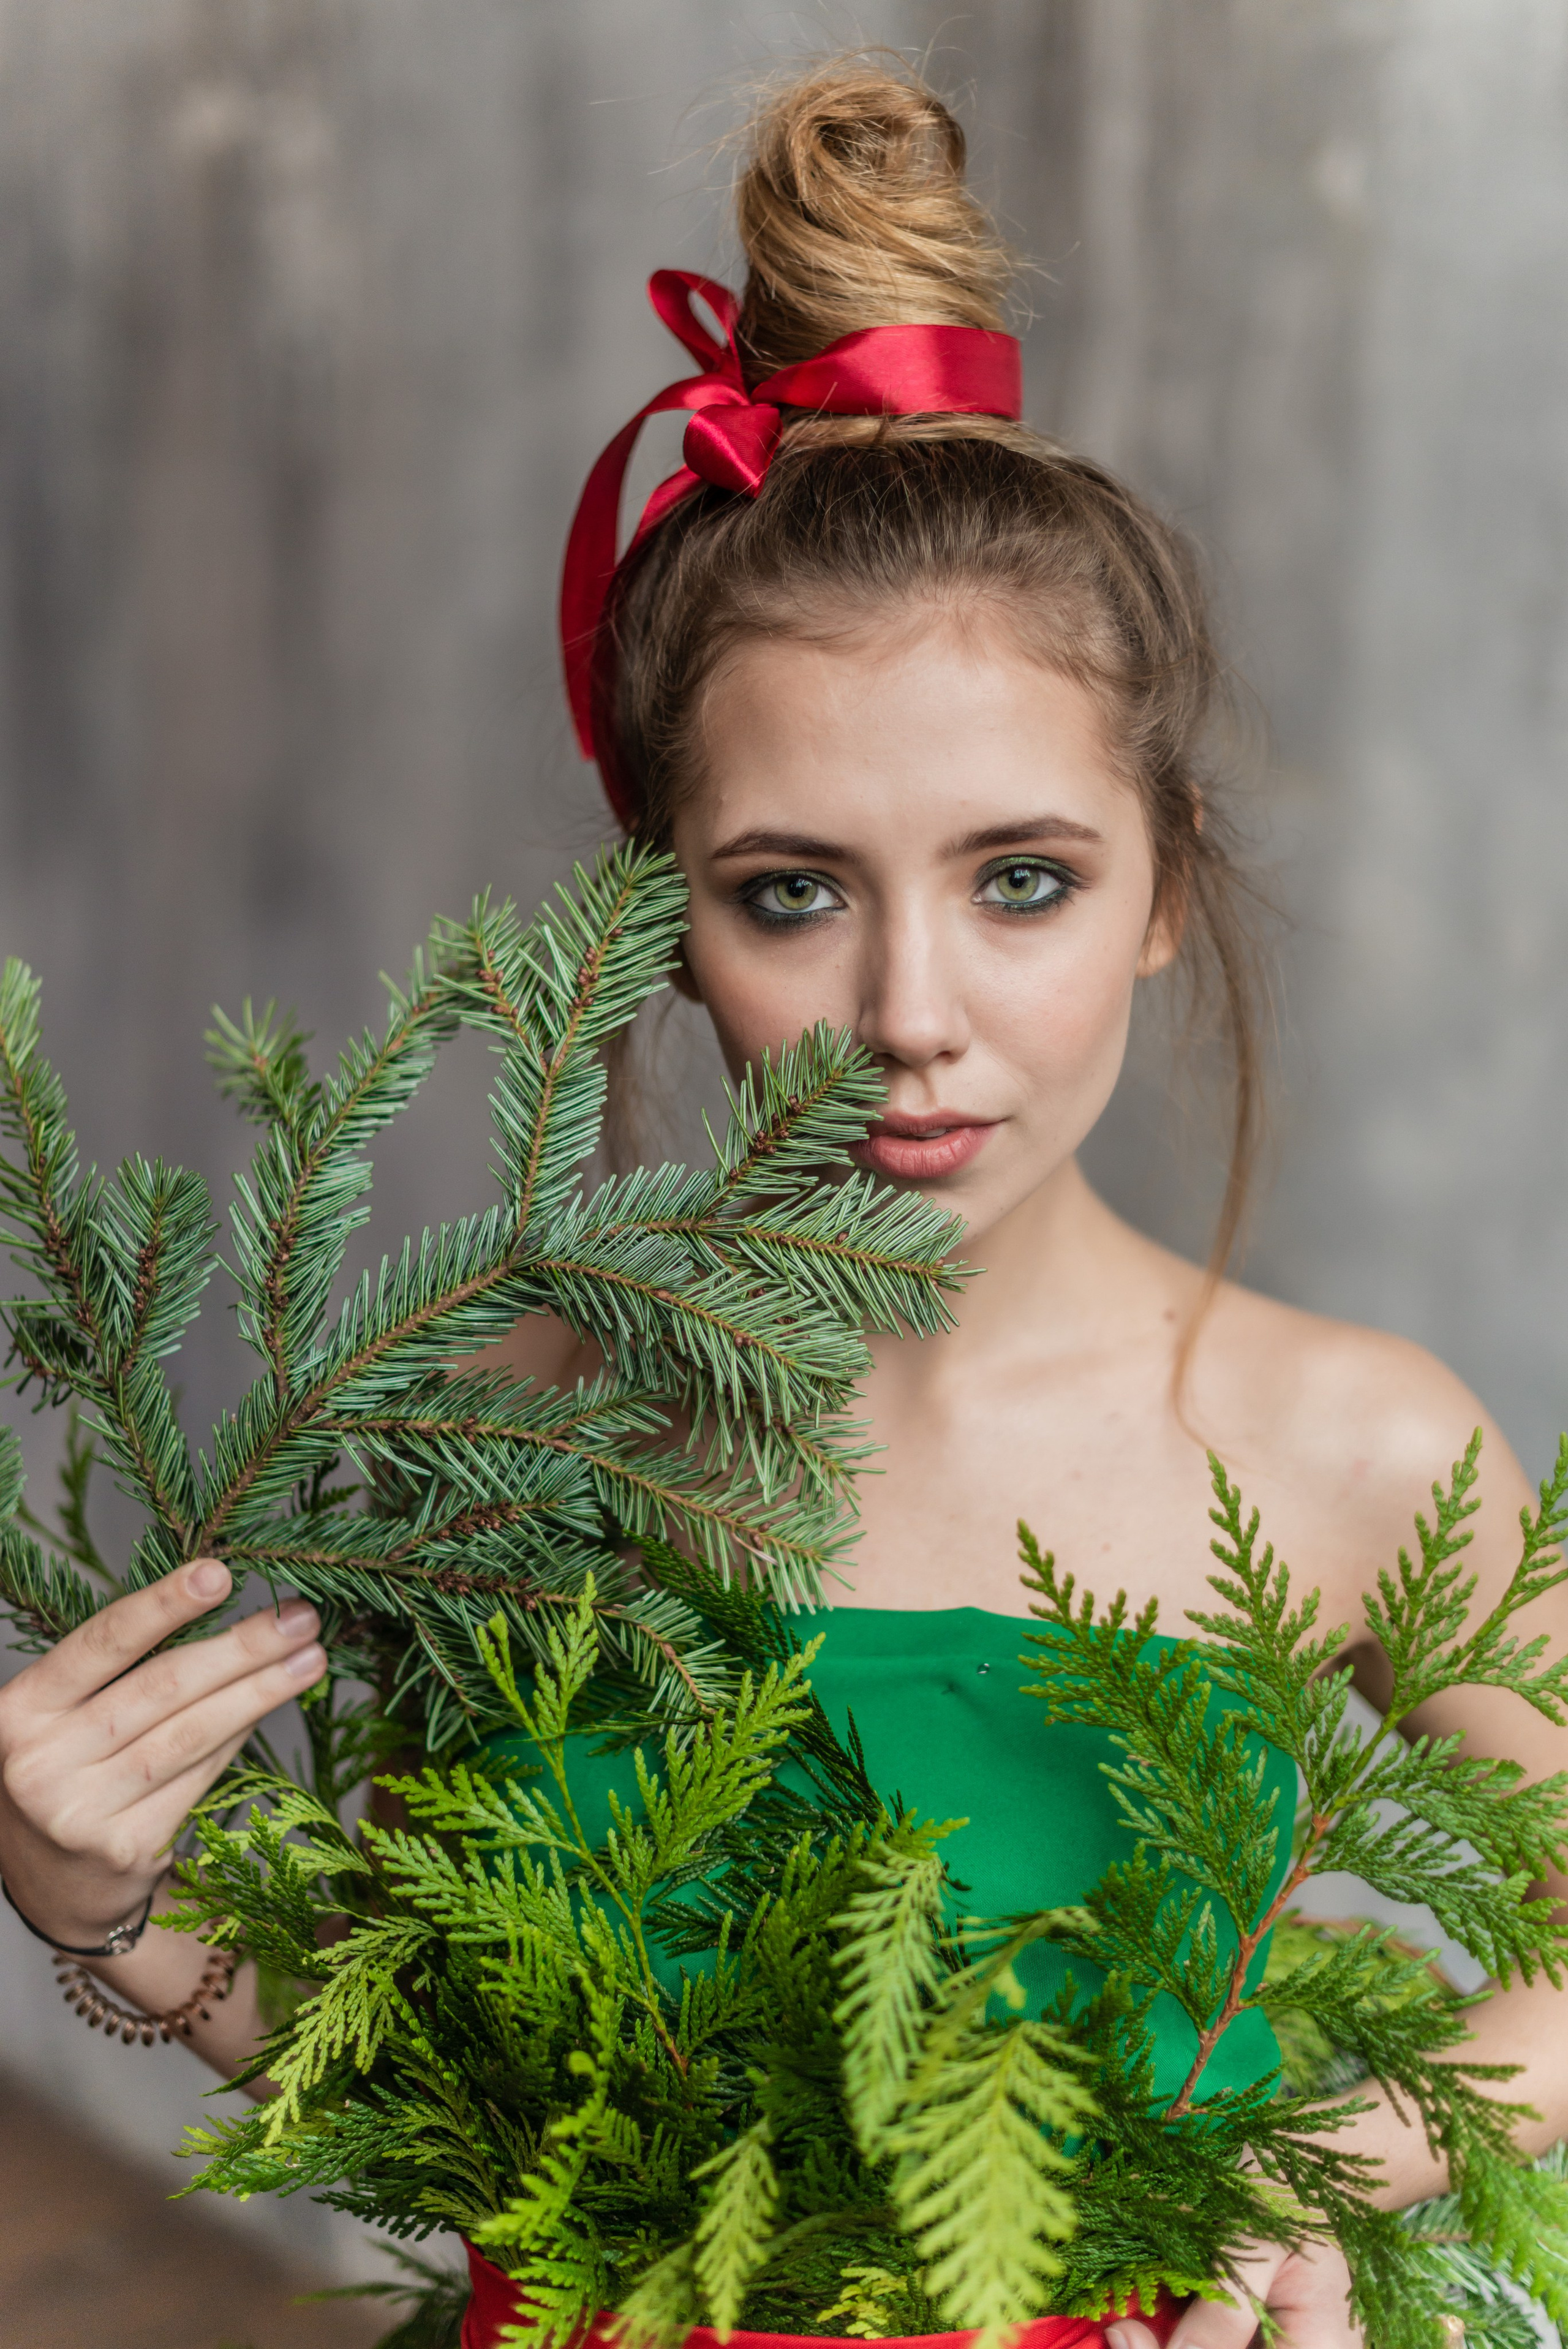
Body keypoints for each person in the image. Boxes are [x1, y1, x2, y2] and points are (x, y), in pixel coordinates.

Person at [1, 55, 1563, 2349]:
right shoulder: (506, 1424)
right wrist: (101, 1900)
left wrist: (1282, 2183)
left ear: (1162, 890)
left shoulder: (1358, 1451)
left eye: (1023, 879)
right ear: (661, 921)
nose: (911, 1010)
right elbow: (430, 2090)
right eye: (794, 891)